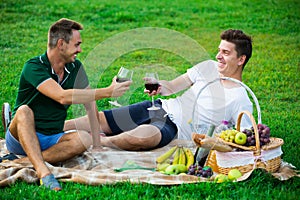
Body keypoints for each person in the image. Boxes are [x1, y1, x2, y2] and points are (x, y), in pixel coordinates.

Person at [64, 29, 253, 151]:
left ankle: (99, 141)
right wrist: (161, 86)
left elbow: (244, 139)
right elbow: (174, 85)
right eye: (219, 50)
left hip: (175, 126)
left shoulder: (240, 98)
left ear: (241, 59)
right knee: (102, 119)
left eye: (225, 53)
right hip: (160, 106)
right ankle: (55, 127)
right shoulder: (207, 66)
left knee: (143, 137)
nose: (218, 56)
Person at [1, 18, 131, 191]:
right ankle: (43, 172)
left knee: (85, 138)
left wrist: (97, 145)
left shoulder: (76, 67)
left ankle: (20, 161)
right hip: (21, 137)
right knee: (24, 111)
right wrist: (108, 91)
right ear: (61, 44)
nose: (80, 50)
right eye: (77, 44)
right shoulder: (33, 67)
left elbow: (90, 104)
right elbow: (61, 96)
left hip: (52, 137)